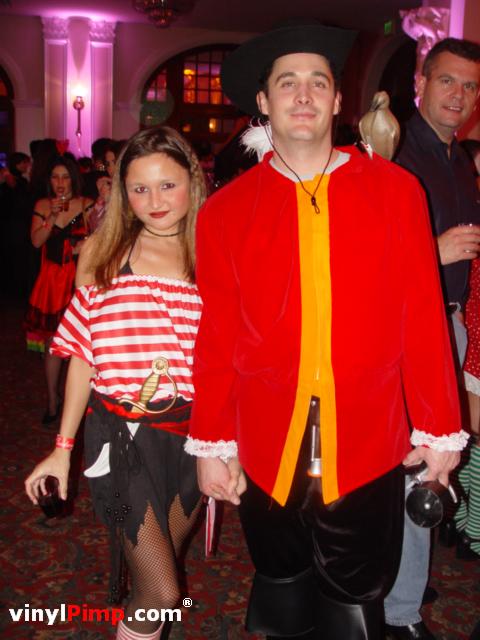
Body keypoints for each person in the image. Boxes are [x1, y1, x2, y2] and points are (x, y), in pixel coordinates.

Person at [185, 21, 468, 640]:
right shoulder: (225, 211)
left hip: (366, 439)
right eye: (288, 83)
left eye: (318, 81)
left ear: (338, 99)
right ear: (264, 102)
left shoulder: (396, 192)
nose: (304, 94)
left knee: (356, 591)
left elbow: (422, 318)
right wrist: (212, 442)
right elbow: (217, 336)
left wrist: (439, 427)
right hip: (267, 440)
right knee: (280, 580)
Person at [25, 126, 206, 640]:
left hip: (194, 442)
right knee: (164, 590)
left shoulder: (212, 255)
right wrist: (62, 448)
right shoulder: (104, 255)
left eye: (168, 185)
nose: (155, 201)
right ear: (123, 192)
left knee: (157, 576)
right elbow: (84, 356)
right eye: (140, 188)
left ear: (192, 184)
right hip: (120, 445)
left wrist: (228, 444)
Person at [383, 38, 480, 640]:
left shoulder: (459, 159)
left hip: (452, 325)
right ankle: (399, 610)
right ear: (421, 83)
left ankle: (403, 579)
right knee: (415, 465)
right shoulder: (394, 153)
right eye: (448, 81)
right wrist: (430, 251)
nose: (459, 95)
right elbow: (359, 255)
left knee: (432, 466)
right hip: (408, 330)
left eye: (470, 86)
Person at [24, 156, 93, 424]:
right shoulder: (42, 205)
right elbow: (35, 241)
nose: (60, 183)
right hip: (52, 282)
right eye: (55, 177)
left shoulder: (87, 205)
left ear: (73, 178)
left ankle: (79, 401)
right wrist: (52, 216)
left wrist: (84, 246)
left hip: (79, 280)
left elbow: (101, 239)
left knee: (82, 346)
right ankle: (53, 399)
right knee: (52, 344)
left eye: (65, 177)